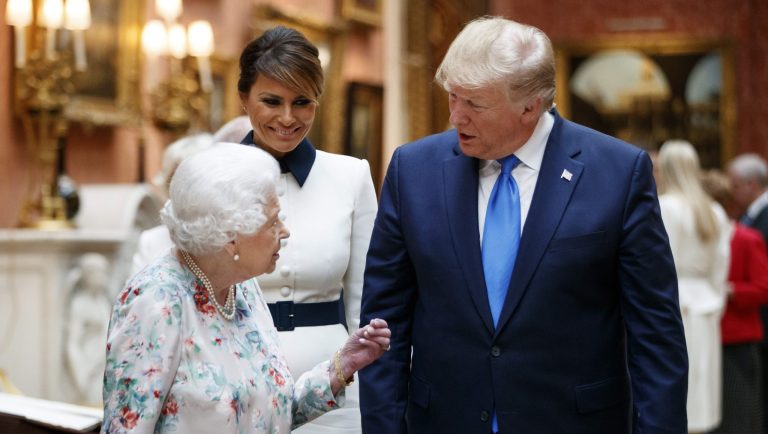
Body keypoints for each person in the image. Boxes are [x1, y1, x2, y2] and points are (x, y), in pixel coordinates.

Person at [359, 16, 688, 434]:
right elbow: (383, 324)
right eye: (452, 96)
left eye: (474, 104)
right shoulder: (414, 170)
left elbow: (656, 338)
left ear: (531, 105)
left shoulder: (618, 174)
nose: (456, 116)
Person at [101, 144, 390, 433]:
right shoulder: (155, 301)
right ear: (231, 238)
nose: (285, 232)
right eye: (273, 221)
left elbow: (273, 413)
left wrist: (341, 366)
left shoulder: (242, 288)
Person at [237, 26, 378, 433]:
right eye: (271, 101)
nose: (287, 117)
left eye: (302, 102)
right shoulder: (207, 177)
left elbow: (364, 300)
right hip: (235, 381)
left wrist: (371, 386)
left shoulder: (351, 176)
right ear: (244, 98)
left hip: (337, 387)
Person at [656, 140, 730, 433]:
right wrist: (716, 301)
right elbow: (720, 267)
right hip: (706, 305)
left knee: (679, 393)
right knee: (702, 391)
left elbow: (661, 266)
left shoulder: (665, 207)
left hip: (676, 305)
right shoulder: (714, 210)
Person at [702, 169, 768, 434]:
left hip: (737, 341)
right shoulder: (698, 241)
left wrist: (730, 291)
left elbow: (763, 288)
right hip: (706, 337)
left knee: (739, 418)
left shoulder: (746, 238)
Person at [130, 133, 214, 276]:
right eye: (174, 178)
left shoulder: (230, 240)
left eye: (189, 179)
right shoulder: (151, 240)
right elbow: (135, 292)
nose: (180, 188)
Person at [727, 152, 768, 434]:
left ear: (751, 184)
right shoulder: (749, 216)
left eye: (735, 185)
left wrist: (731, 290)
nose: (732, 192)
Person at [64, 253, 113, 405]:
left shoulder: (103, 301)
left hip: (103, 361)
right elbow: (72, 342)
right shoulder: (79, 304)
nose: (102, 276)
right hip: (88, 364)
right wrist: (80, 375)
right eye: (97, 272)